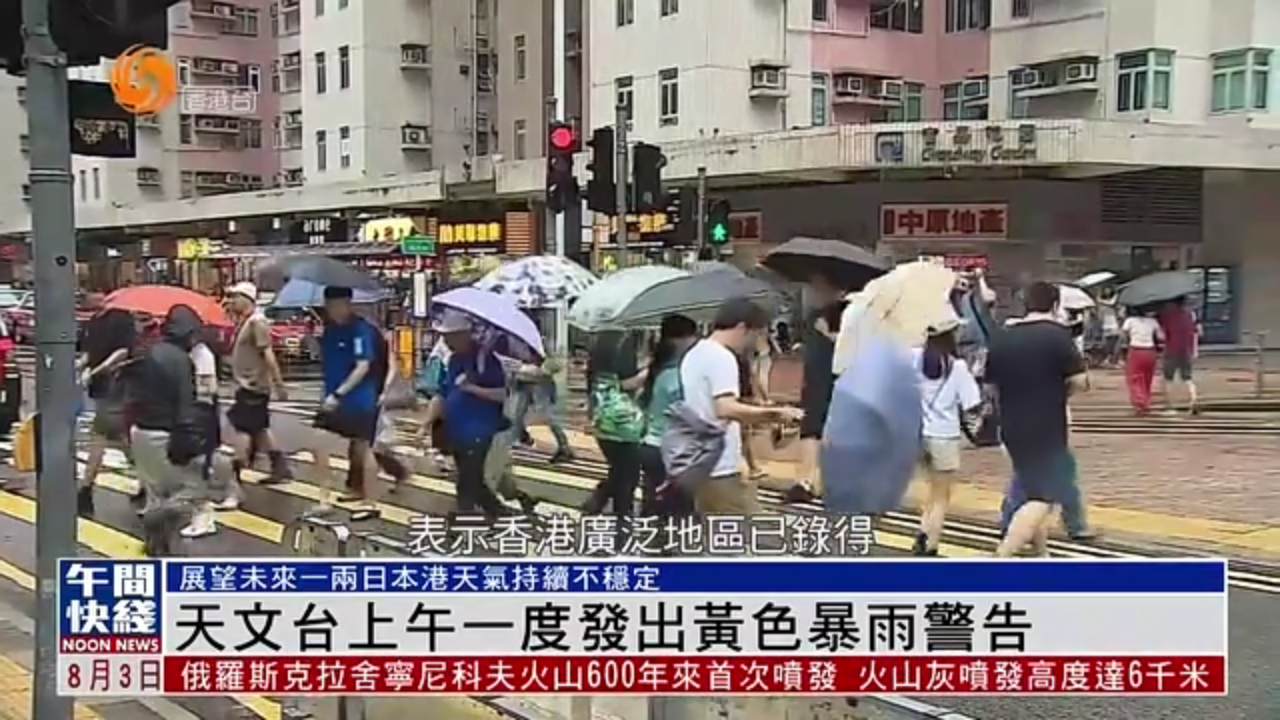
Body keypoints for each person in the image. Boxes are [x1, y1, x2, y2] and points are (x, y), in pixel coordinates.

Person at [985, 282, 1090, 558]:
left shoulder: (1002, 336)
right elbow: (1079, 381)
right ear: (1055, 305)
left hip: (1010, 425)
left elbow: (990, 386)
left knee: (1030, 483)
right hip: (1047, 426)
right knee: (1043, 498)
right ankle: (1003, 554)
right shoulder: (1058, 336)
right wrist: (1058, 394)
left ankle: (1042, 555)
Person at [681, 298, 803, 514]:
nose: (753, 343)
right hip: (720, 467)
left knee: (716, 536)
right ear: (742, 327)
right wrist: (775, 413)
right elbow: (725, 408)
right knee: (743, 535)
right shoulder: (722, 357)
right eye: (756, 335)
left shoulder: (694, 353)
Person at [126, 306, 209, 557]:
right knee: (182, 492)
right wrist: (190, 440)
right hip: (164, 432)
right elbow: (186, 403)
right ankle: (162, 539)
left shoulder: (147, 351)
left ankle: (158, 548)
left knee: (154, 493)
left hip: (141, 430)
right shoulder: (180, 360)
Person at [417, 311, 510, 520]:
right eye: (444, 337)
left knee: (467, 480)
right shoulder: (454, 359)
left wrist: (471, 388)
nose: (446, 341)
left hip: (479, 428)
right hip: (457, 428)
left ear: (465, 334)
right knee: (472, 479)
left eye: (450, 336)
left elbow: (502, 394)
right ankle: (499, 513)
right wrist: (426, 423)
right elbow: (443, 392)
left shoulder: (486, 359)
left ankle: (464, 519)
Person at [912, 319, 982, 556]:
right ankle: (930, 543)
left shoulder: (913, 360)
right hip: (945, 436)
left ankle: (923, 530)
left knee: (930, 489)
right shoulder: (957, 367)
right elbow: (972, 402)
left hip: (917, 435)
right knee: (941, 495)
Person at [312, 286, 382, 510]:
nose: (333, 309)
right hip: (333, 396)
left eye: (337, 304)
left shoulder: (360, 329)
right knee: (318, 442)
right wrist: (313, 342)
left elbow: (363, 366)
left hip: (358, 398)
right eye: (329, 305)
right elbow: (326, 359)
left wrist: (340, 393)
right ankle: (324, 497)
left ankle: (370, 501)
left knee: (363, 448)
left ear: (347, 303)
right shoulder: (329, 329)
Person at [223, 282, 291, 485]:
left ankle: (237, 469)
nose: (231, 301)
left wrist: (279, 384)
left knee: (242, 427)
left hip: (252, 385)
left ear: (247, 299)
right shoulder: (246, 322)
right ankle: (280, 467)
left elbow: (267, 354)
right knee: (259, 428)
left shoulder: (256, 322)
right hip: (248, 384)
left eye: (236, 297)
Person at [785, 272, 845, 504]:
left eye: (820, 286)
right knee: (810, 429)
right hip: (814, 380)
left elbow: (853, 349)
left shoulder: (850, 315)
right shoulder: (812, 315)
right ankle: (805, 482)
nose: (815, 291)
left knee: (836, 433)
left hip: (841, 381)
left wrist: (829, 335)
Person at [76, 307, 138, 516]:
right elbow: (89, 351)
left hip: (118, 385)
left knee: (103, 433)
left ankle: (86, 489)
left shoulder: (122, 317)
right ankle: (149, 481)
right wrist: (81, 366)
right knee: (119, 436)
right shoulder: (94, 320)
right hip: (102, 386)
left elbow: (123, 351)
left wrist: (95, 370)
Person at [638, 314, 698, 517]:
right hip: (672, 453)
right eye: (692, 337)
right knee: (677, 513)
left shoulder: (659, 369)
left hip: (653, 446)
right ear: (677, 340)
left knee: (656, 509)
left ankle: (648, 545)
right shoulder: (679, 374)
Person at [584, 330, 647, 521]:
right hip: (623, 423)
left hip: (603, 420)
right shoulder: (625, 341)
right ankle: (621, 519)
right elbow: (626, 382)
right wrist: (649, 370)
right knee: (628, 474)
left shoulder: (600, 342)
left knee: (619, 468)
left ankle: (602, 497)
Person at [178, 324, 230, 538]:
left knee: (200, 465)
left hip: (201, 413)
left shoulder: (202, 355)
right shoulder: (189, 353)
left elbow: (208, 387)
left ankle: (204, 517)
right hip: (193, 412)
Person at [1157, 296, 1200, 414]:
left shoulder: (1168, 315)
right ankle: (1193, 399)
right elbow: (1196, 332)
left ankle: (1170, 407)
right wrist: (1195, 350)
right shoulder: (1189, 315)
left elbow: (1163, 335)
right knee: (1187, 378)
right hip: (1186, 350)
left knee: (1168, 379)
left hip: (1172, 349)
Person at [1120, 308, 1163, 415]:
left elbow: (1122, 336)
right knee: (1147, 378)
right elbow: (1161, 337)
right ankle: (1146, 401)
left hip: (1136, 350)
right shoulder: (1153, 321)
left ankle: (1140, 403)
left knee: (1135, 378)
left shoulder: (1130, 321)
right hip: (1150, 351)